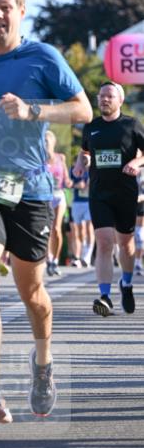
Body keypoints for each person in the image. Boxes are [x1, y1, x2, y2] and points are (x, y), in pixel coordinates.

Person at [0, 0, 92, 426]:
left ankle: (43, 361)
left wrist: (36, 110)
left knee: (32, 293)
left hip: (30, 187)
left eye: (5, 7)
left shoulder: (43, 57)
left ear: (20, 11)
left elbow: (83, 109)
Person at [73, 82, 144, 317]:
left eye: (109, 96)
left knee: (126, 243)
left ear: (120, 100)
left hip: (125, 193)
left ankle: (126, 284)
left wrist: (136, 162)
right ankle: (104, 296)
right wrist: (81, 162)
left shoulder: (131, 125)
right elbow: (85, 152)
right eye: (101, 95)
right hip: (99, 193)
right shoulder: (91, 127)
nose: (104, 99)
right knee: (104, 242)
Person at [44, 130, 71, 276]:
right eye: (44, 141)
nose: (46, 144)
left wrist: (68, 181)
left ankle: (55, 259)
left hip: (59, 195)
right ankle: (49, 259)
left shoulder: (61, 157)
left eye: (48, 141)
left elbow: (66, 178)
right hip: (46, 196)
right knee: (47, 230)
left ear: (53, 142)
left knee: (56, 229)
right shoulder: (40, 159)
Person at [68, 163, 93, 267]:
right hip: (77, 202)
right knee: (78, 231)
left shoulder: (93, 169)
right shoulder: (74, 169)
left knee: (89, 227)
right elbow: (67, 183)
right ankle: (79, 256)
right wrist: (76, 185)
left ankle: (87, 257)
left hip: (89, 202)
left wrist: (90, 184)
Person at [136, 169, 144, 276]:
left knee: (140, 235)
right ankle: (136, 262)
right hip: (130, 203)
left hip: (141, 203)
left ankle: (138, 262)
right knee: (134, 235)